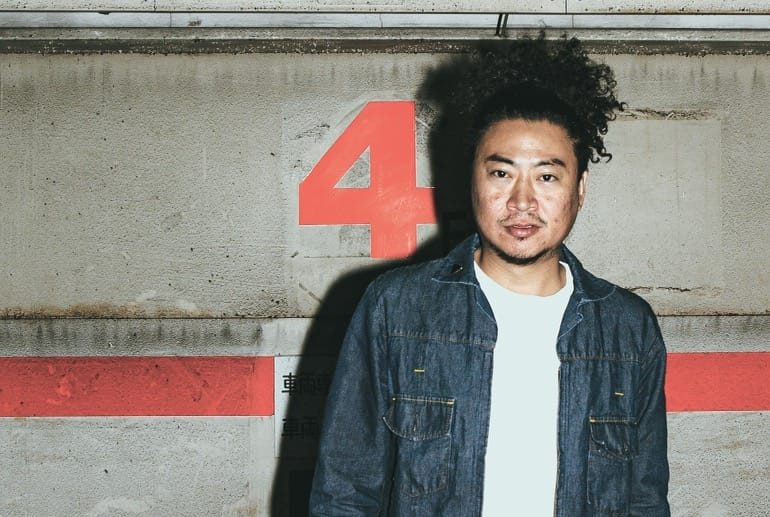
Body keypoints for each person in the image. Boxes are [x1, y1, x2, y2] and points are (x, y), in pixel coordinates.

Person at [309, 35, 670, 516]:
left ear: (580, 188)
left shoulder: (627, 328)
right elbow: (344, 493)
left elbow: (644, 500)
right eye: (502, 174)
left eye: (547, 176)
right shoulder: (397, 308)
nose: (522, 201)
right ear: (472, 180)